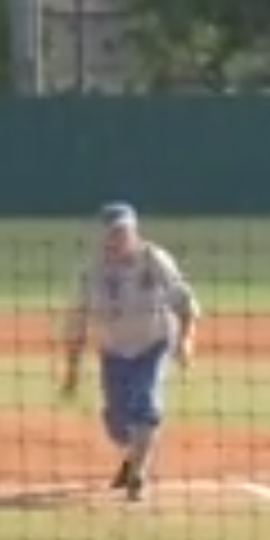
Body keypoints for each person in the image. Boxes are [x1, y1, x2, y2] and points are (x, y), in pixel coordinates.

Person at [58, 202, 201, 502]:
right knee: (117, 424)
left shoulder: (154, 259)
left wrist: (187, 339)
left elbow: (184, 299)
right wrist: (71, 371)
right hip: (114, 350)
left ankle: (138, 473)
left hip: (154, 342)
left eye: (124, 231)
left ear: (135, 231)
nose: (119, 238)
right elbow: (76, 324)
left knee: (145, 401)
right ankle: (133, 453)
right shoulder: (91, 273)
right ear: (103, 236)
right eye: (113, 232)